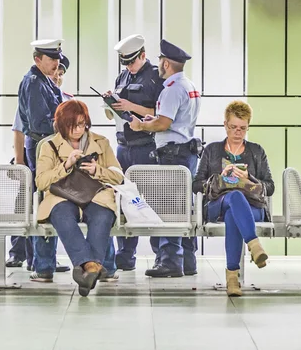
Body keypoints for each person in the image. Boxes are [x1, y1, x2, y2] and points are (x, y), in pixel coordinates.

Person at [36, 100, 124, 297]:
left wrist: (97, 170)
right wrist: (66, 166)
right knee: (62, 215)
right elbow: (41, 181)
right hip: (62, 195)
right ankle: (92, 266)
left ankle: (83, 268)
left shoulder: (101, 142)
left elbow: (119, 175)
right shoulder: (49, 146)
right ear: (61, 124)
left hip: (96, 194)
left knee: (103, 215)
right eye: (72, 125)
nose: (78, 130)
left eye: (82, 124)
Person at [130, 39, 201, 278]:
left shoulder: (171, 88)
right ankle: (188, 260)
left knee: (170, 208)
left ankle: (170, 261)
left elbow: (164, 123)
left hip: (172, 154)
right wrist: (155, 121)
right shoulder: (188, 85)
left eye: (161, 61)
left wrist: (142, 126)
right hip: (186, 151)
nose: (158, 64)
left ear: (167, 63)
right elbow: (175, 120)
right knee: (184, 207)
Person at [192, 100, 274, 297]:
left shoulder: (256, 151)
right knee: (234, 197)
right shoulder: (212, 150)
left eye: (242, 128)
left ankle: (232, 278)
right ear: (225, 125)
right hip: (217, 204)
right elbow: (196, 184)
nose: (238, 132)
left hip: (251, 205)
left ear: (248, 127)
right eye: (233, 127)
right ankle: (253, 244)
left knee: (233, 214)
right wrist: (220, 178)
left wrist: (248, 179)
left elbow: (269, 186)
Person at [6, 55, 72, 273]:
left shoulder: (62, 98)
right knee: (27, 205)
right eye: (55, 71)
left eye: (61, 74)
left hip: (53, 159)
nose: (57, 76)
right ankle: (20, 254)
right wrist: (20, 162)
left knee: (44, 204)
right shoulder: (34, 91)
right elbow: (20, 131)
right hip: (32, 159)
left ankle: (42, 259)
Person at [104, 34, 164, 271]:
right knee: (124, 199)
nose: (129, 67)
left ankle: (161, 256)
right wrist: (111, 106)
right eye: (125, 63)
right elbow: (116, 113)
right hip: (123, 146)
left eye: (132, 62)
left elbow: (160, 113)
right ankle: (125, 255)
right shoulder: (123, 76)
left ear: (142, 56)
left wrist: (131, 107)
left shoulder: (156, 77)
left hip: (146, 146)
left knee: (152, 200)